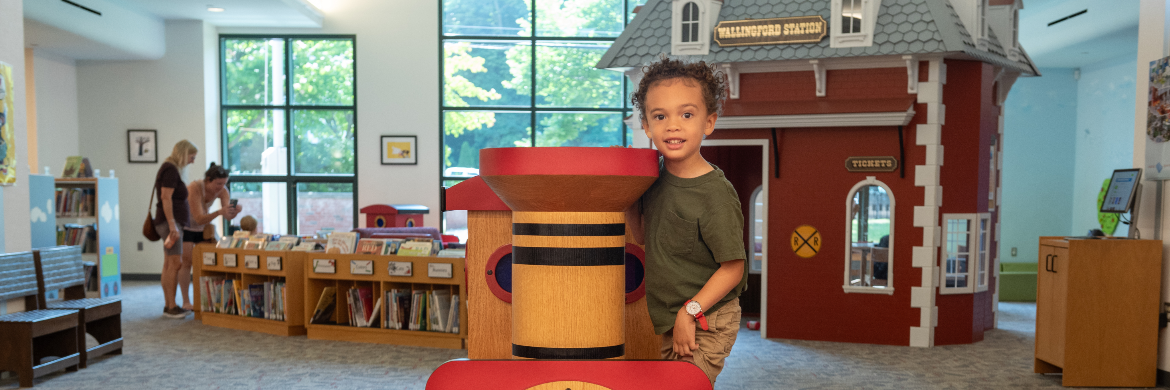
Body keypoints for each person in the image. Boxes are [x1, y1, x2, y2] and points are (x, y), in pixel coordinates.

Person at [625, 57, 747, 386]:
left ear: (708, 122)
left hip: (707, 314)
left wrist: (689, 312)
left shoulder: (714, 194)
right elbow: (642, 236)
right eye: (660, 116)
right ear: (647, 127)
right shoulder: (654, 182)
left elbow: (734, 267)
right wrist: (626, 196)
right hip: (672, 316)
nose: (673, 125)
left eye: (687, 114)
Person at [179, 163, 241, 310]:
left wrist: (235, 211)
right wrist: (219, 212)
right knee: (186, 262)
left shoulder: (222, 190)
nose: (221, 187)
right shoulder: (194, 188)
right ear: (208, 180)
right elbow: (199, 217)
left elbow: (227, 216)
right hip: (186, 226)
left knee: (208, 261)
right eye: (218, 183)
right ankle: (186, 301)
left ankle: (208, 300)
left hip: (203, 228)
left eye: (224, 183)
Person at [154, 140, 198, 318]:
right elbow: (166, 198)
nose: (193, 161)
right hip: (170, 224)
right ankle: (172, 306)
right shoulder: (171, 170)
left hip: (169, 223)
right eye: (192, 157)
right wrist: (172, 224)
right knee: (175, 264)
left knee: (168, 264)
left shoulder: (170, 169)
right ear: (183, 154)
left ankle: (168, 305)